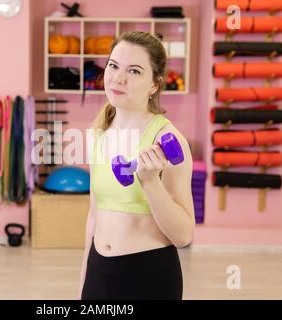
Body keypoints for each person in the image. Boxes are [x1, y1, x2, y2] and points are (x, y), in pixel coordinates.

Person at [78, 31, 195, 300]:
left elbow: (183, 236)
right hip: (98, 271)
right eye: (113, 65)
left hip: (148, 277)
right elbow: (94, 215)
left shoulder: (167, 140)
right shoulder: (97, 134)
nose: (118, 78)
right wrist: (84, 281)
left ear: (154, 85)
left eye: (134, 71)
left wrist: (151, 183)